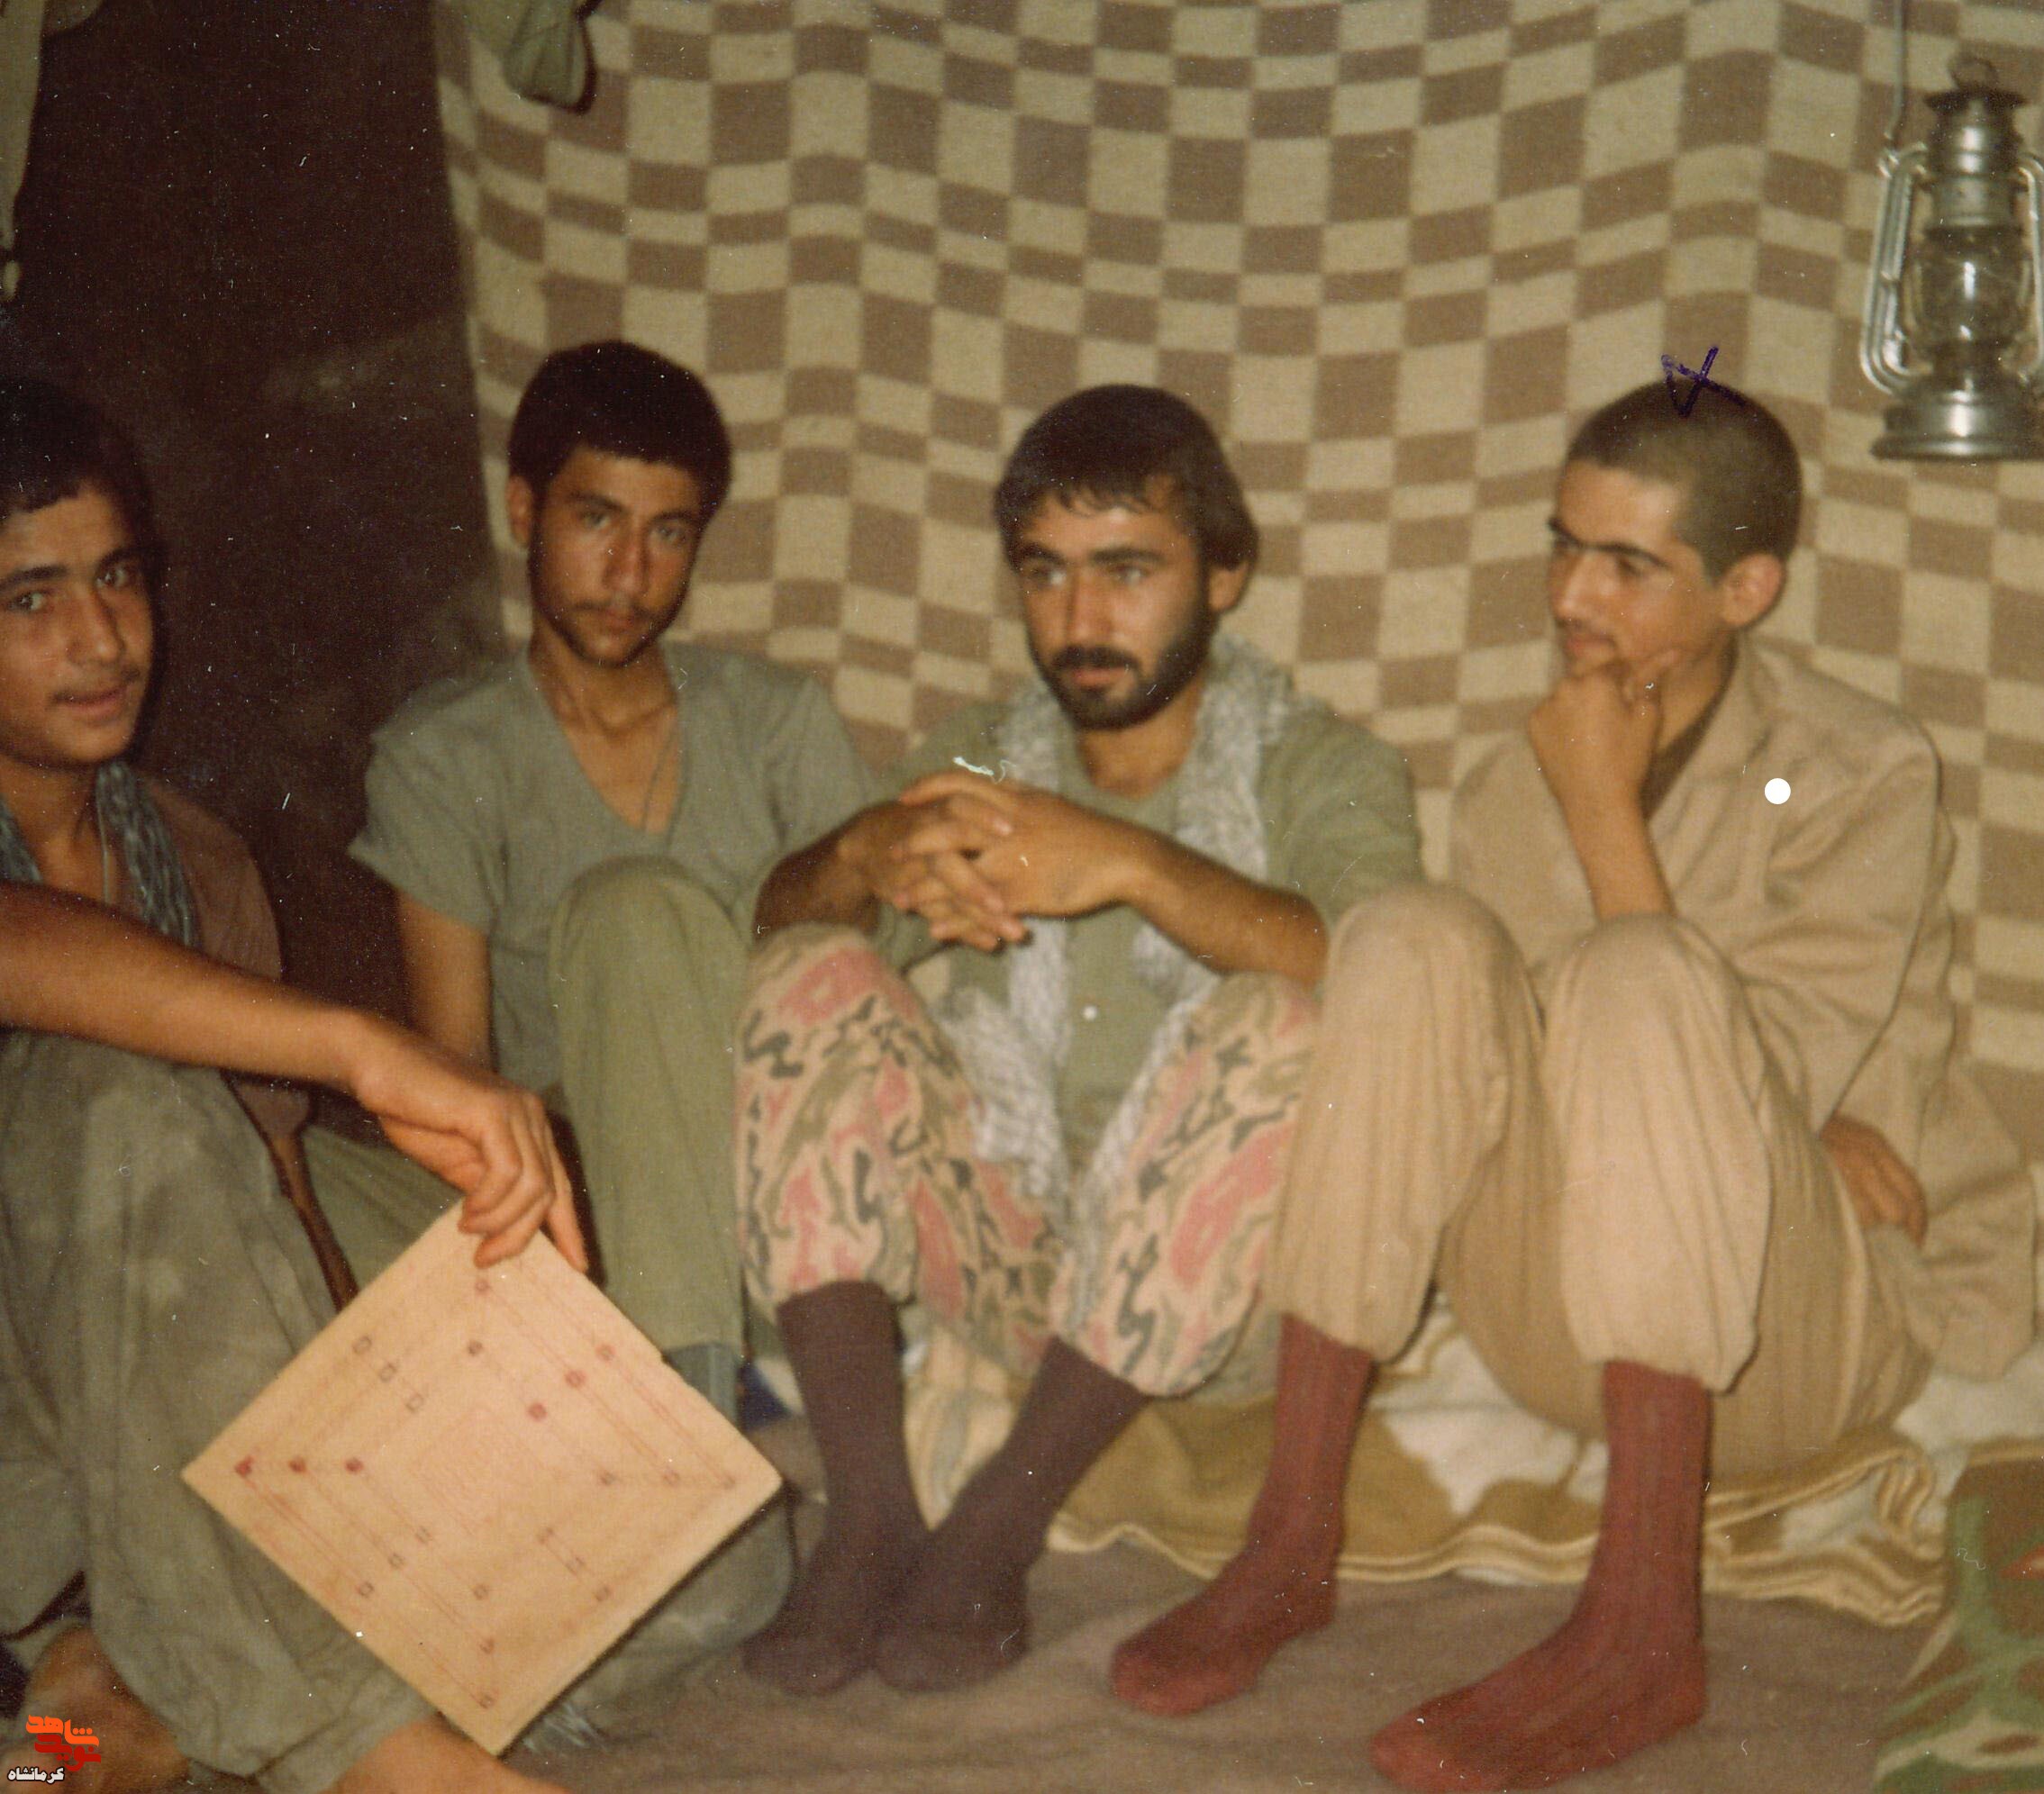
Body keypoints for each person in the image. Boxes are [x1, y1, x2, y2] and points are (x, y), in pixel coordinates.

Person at [1109, 382, 2037, 1790]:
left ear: (1746, 589)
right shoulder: (1512, 780)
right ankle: (1288, 1542)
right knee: (1410, 934)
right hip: (1558, 1321)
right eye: (1562, 545)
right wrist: (1779, 1106)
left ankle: (1642, 1630)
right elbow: (1505, 1090)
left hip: (1786, 1342)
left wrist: (1605, 814)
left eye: (1626, 565)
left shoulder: (1863, 770)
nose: (1567, 595)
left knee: (1638, 975)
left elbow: (1743, 1073)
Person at [732, 384, 1422, 1697]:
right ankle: (871, 1522)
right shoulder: (987, 760)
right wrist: (863, 852)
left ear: (1224, 575)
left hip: (1233, 1290)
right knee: (812, 969)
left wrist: (1130, 865)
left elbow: (1383, 981)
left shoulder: (1323, 768)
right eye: (1044, 573)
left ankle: (994, 1526)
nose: (1080, 619)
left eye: (1126, 571)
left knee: (1280, 1014)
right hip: (1013, 1256)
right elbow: (774, 937)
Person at [0, 376, 588, 1793]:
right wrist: (364, 1044)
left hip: (146, 1427)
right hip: (21, 1425)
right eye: (29, 599)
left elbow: (277, 1200)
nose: (100, 638)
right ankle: (360, 1745)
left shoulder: (195, 857)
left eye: (117, 577)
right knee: (122, 1097)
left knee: (678, 1569)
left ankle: (100, 1698)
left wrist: (377, 1468)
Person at [351, 340, 872, 1422]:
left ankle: (689, 1420)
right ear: (524, 510)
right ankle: (700, 1389)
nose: (630, 575)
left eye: (668, 533)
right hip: (582, 1206)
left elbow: (861, 1005)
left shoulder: (776, 722)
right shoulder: (444, 755)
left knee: (637, 909)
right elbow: (457, 1072)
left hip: (782, 1183)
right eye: (598, 520)